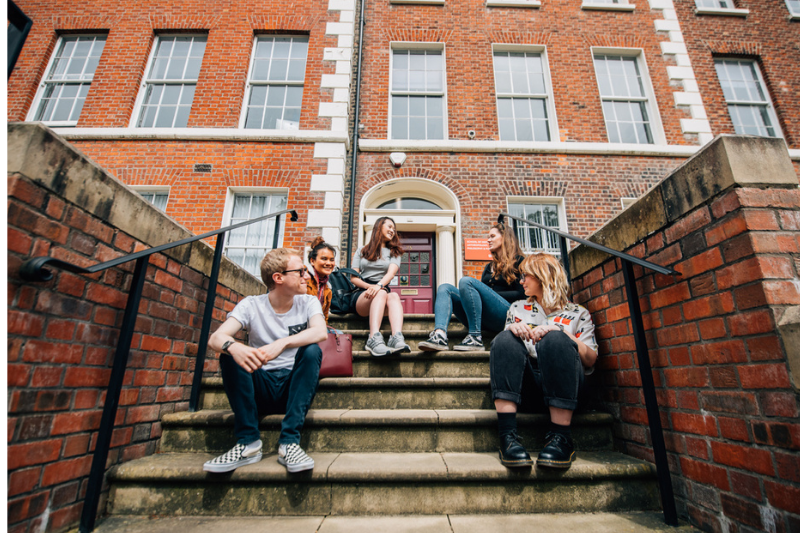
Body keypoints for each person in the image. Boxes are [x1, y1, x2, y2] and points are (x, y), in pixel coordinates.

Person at [204, 248, 327, 474]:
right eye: (300, 271)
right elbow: (216, 338)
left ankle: (289, 442)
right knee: (229, 354)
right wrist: (234, 347)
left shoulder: (308, 302)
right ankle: (248, 443)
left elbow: (321, 332)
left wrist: (282, 343)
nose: (306, 276)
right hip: (260, 387)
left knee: (312, 350)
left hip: (293, 389)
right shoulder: (251, 305)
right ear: (278, 278)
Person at [490, 253, 598, 469]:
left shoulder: (578, 313)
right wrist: (512, 329)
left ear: (543, 276)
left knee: (556, 338)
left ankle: (561, 438)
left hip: (568, 388)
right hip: (526, 386)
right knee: (504, 338)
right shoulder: (518, 308)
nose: (521, 282)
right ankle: (508, 438)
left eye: (525, 276)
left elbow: (591, 359)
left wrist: (561, 333)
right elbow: (505, 354)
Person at [419, 222, 525, 352]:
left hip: (506, 314)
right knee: (444, 288)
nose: (488, 240)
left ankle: (475, 337)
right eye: (488, 237)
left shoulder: (519, 262)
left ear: (505, 238)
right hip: (484, 318)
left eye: (492, 236)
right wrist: (485, 295)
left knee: (466, 282)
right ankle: (439, 334)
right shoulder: (489, 267)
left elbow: (523, 294)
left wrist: (491, 295)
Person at [351, 216, 410, 356]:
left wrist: (378, 286)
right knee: (382, 293)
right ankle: (373, 338)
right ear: (379, 227)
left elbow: (391, 273)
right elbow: (353, 277)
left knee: (393, 295)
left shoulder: (394, 252)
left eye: (394, 229)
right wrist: (370, 287)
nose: (392, 231)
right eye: (389, 227)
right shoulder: (362, 250)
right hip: (362, 294)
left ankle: (396, 338)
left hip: (381, 290)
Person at [306, 236, 336, 325]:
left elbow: (325, 317)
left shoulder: (327, 287)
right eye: (324, 259)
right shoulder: (303, 277)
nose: (328, 263)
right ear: (312, 261)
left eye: (332, 260)